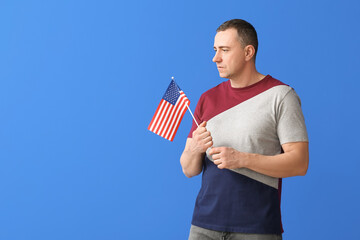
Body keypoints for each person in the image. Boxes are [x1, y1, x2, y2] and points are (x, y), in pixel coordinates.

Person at [180, 19, 309, 240]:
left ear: (248, 52)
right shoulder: (207, 99)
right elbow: (189, 170)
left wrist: (242, 159)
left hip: (256, 228)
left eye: (225, 50)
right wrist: (194, 149)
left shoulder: (281, 96)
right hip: (203, 226)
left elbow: (299, 163)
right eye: (215, 50)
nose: (215, 58)